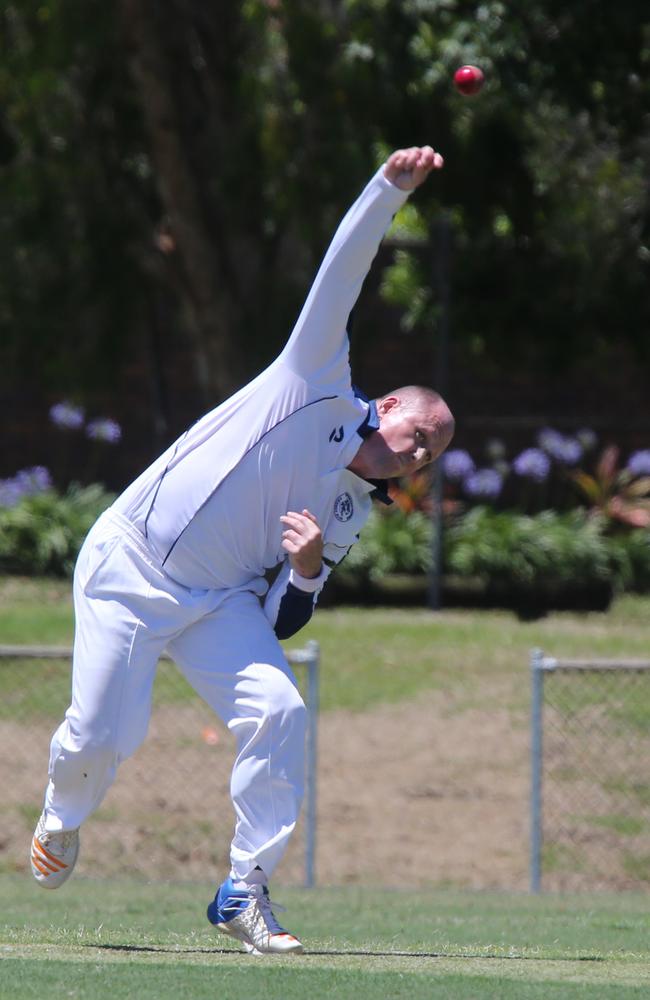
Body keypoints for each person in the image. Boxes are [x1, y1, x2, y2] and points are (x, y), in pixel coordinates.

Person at [30, 145, 454, 955]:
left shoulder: (351, 509)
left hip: (215, 603)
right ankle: (61, 815)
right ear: (392, 405)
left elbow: (284, 619)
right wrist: (386, 191)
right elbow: (343, 272)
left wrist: (301, 572)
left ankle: (243, 890)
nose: (419, 454)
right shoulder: (315, 377)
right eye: (419, 434)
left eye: (431, 455)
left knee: (281, 709)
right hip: (129, 566)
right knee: (104, 735)